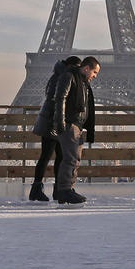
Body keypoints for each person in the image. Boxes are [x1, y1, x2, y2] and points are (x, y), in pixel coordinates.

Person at [29, 56, 81, 201]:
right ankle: (44, 189)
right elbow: (58, 100)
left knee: (56, 156)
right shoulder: (64, 77)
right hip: (52, 123)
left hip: (54, 121)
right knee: (50, 156)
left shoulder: (58, 75)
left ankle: (47, 189)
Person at [52, 56, 99, 205]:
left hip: (77, 125)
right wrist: (61, 123)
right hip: (69, 124)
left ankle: (68, 190)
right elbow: (60, 98)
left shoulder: (82, 82)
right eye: (94, 72)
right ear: (86, 69)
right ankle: (65, 190)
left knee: (75, 159)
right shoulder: (69, 76)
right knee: (71, 158)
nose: (95, 76)